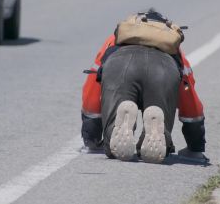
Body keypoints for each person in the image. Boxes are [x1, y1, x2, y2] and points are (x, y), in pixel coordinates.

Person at [81, 9, 207, 163]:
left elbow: (92, 88)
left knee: (113, 138)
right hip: (162, 71)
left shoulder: (116, 37)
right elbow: (189, 97)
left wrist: (91, 139)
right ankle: (155, 131)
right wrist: (195, 147)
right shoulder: (172, 46)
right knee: (160, 129)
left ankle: (116, 130)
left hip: (120, 65)